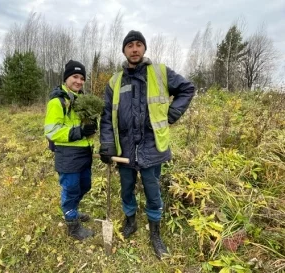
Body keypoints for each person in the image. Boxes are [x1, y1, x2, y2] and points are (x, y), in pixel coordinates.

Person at [99, 30, 195, 259]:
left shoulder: (160, 73)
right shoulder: (114, 81)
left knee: (153, 191)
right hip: (124, 148)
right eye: (130, 45)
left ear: (144, 48)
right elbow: (106, 115)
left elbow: (187, 88)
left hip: (152, 146)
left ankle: (155, 232)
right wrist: (106, 144)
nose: (134, 49)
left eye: (138, 44)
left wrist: (172, 114)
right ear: (124, 50)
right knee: (126, 188)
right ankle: (130, 221)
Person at [44, 60, 97, 241]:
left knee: (86, 185)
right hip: (67, 156)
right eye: (75, 76)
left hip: (84, 154)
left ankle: (72, 208)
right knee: (71, 189)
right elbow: (51, 131)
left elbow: (86, 126)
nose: (79, 81)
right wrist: (79, 132)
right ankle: (72, 225)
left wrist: (91, 126)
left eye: (82, 78)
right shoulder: (58, 102)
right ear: (66, 78)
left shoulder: (83, 100)